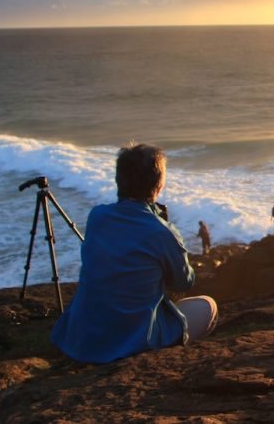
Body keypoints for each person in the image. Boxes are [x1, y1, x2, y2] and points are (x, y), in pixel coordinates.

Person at [51, 143, 218, 364]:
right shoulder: (161, 231)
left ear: (118, 180)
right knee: (208, 306)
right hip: (131, 340)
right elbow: (183, 282)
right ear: (158, 185)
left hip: (83, 339)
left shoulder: (97, 217)